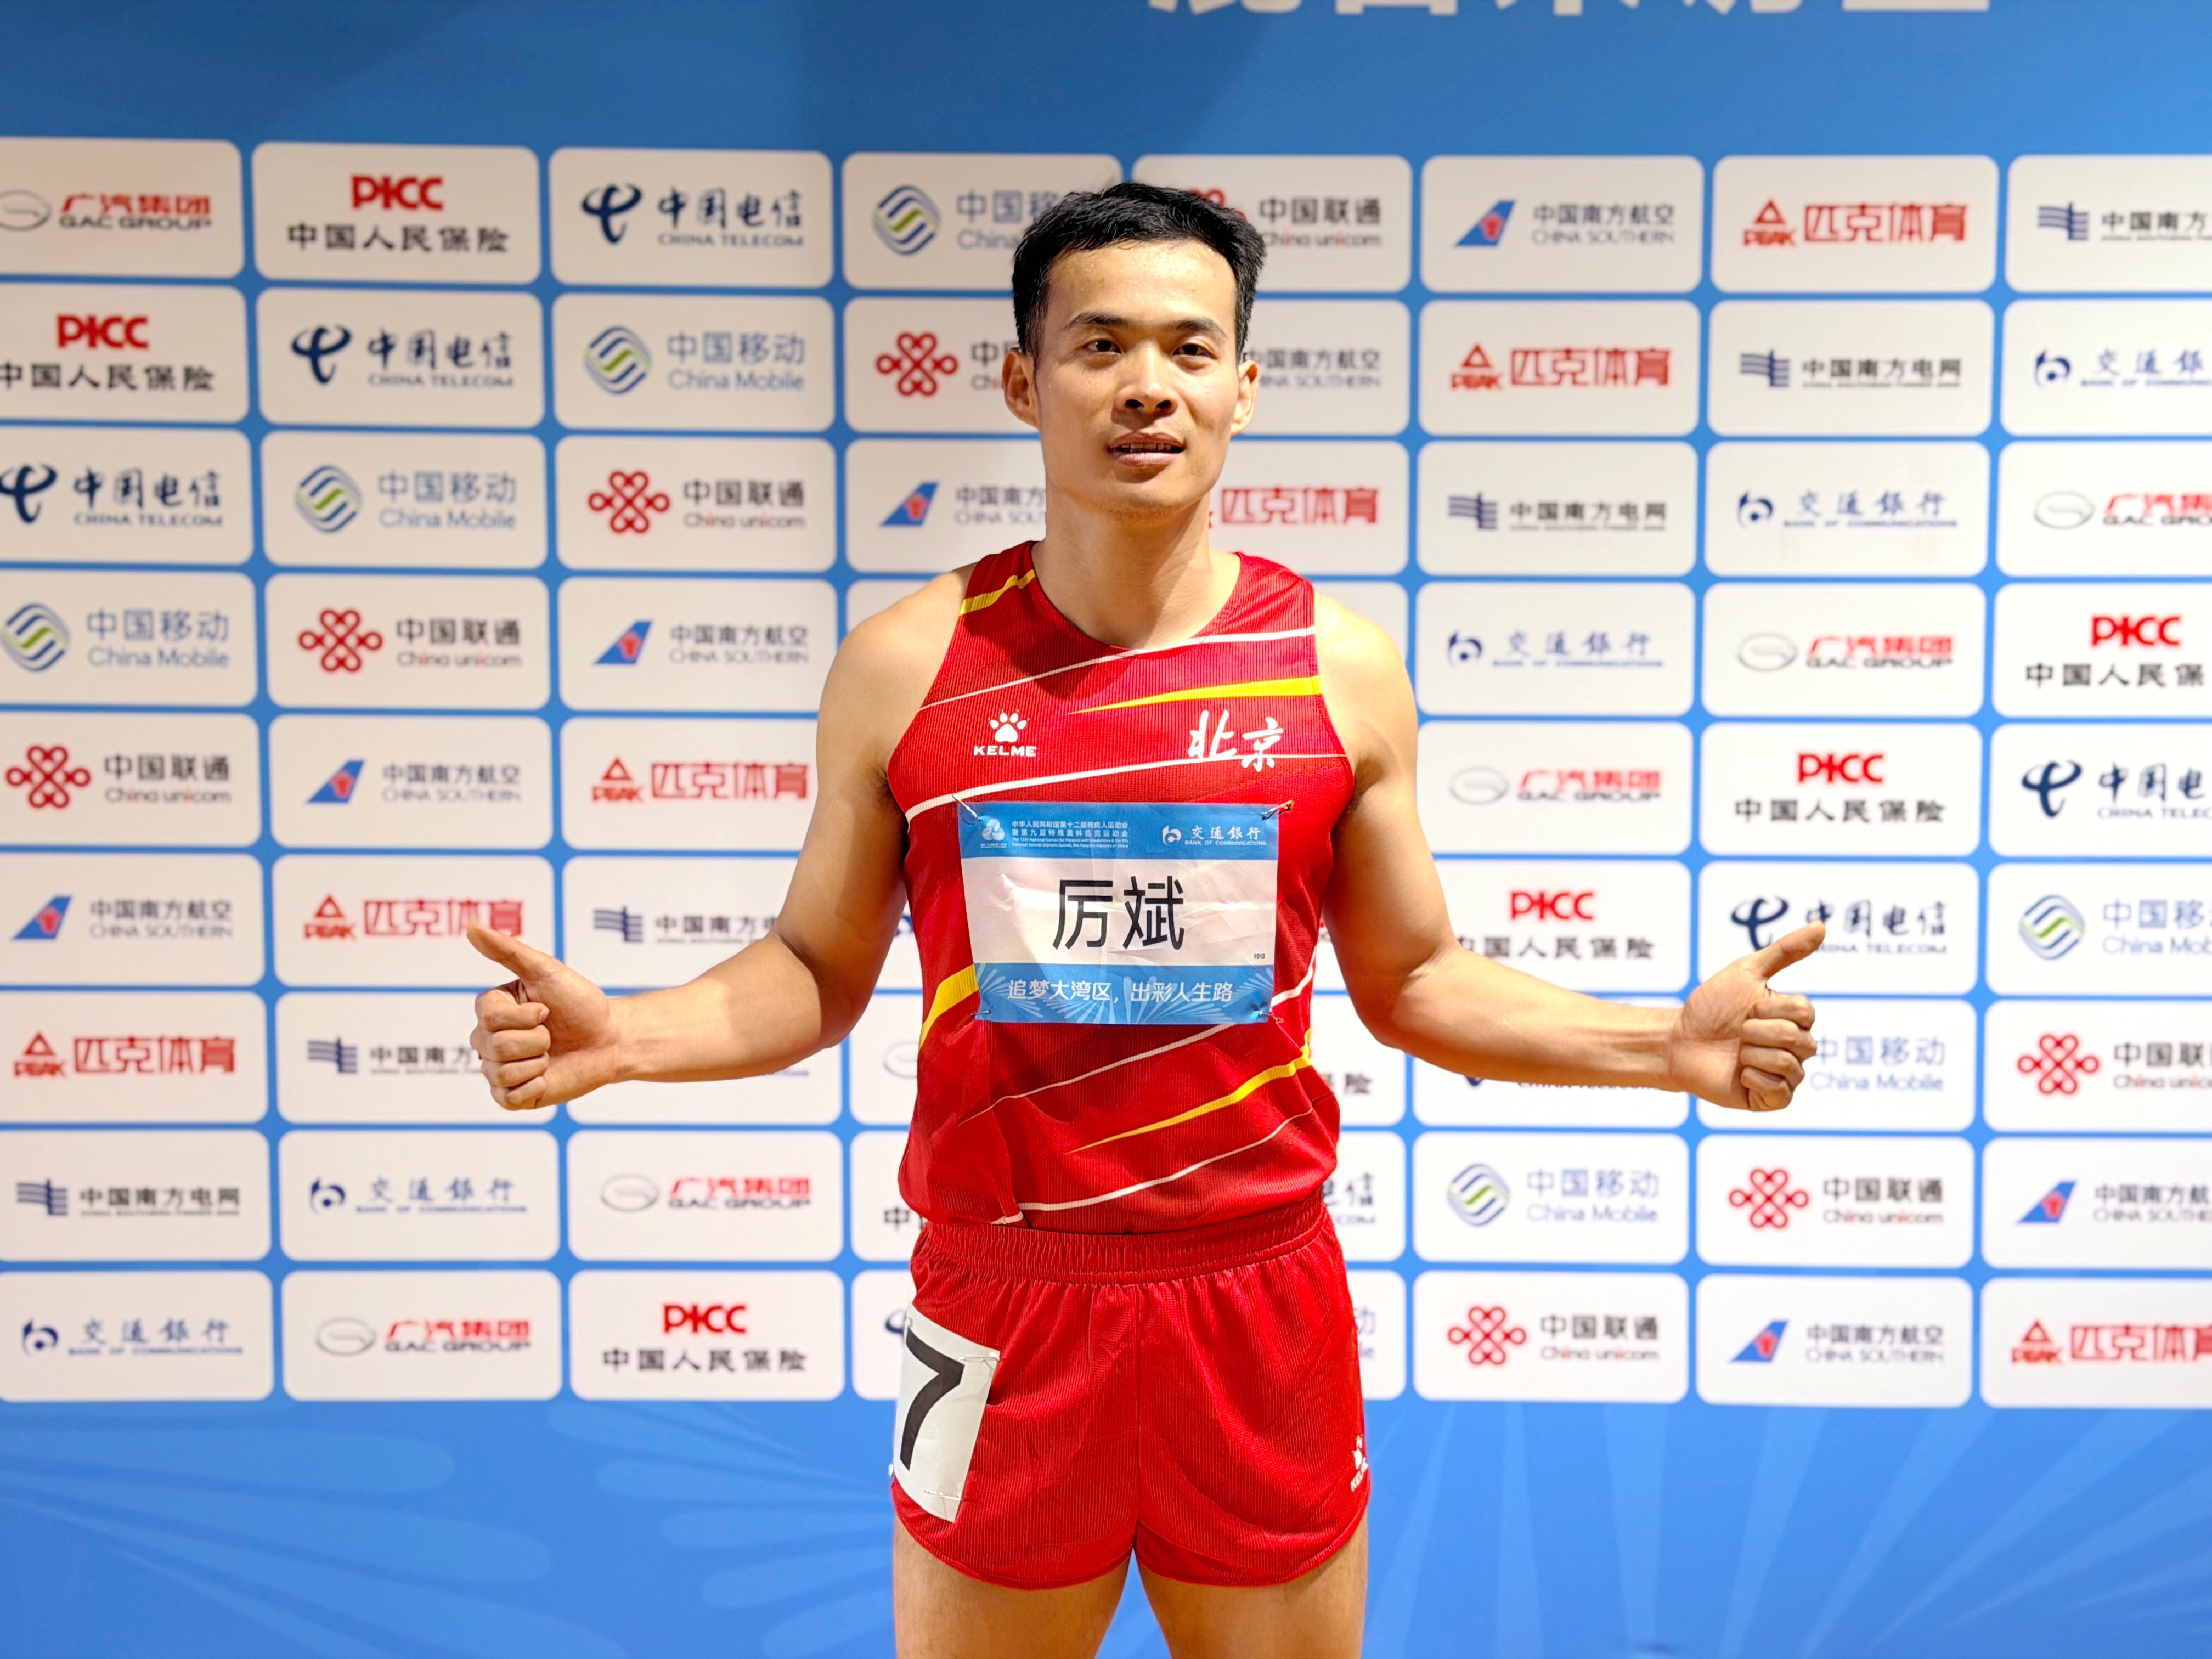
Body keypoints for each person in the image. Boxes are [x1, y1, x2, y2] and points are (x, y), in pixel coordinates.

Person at [466, 182, 1822, 1659]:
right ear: (1021, 379)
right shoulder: (906, 664)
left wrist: (1661, 1047)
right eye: (1098, 345)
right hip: (1004, 1299)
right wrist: (633, 1036)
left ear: (1245, 382)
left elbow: (1415, 976)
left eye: (1189, 347)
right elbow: (815, 965)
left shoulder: (1338, 668)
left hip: (1255, 1303)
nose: (1145, 387)